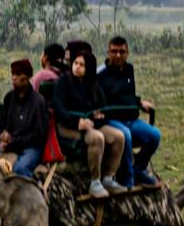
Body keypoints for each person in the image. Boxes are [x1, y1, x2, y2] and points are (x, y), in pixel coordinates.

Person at [50, 44, 125, 198]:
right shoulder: (64, 82)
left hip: (90, 125)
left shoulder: (93, 83)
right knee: (97, 138)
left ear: (89, 68)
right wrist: (78, 122)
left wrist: (95, 120)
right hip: (69, 126)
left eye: (82, 65)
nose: (77, 67)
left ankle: (109, 178)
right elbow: (59, 109)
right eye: (76, 63)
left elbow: (103, 109)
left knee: (119, 136)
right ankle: (94, 181)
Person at [100, 35, 160, 187]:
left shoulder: (129, 69)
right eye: (114, 51)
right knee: (125, 135)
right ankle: (128, 179)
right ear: (108, 53)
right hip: (112, 121)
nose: (118, 55)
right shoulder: (101, 74)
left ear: (127, 53)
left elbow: (128, 94)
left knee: (154, 135)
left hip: (131, 119)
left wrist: (139, 102)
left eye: (122, 52)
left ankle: (139, 168)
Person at [0, 57, 49, 178]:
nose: (14, 78)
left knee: (20, 169)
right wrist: (3, 137)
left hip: (31, 148)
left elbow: (39, 136)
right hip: (10, 145)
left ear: (27, 77)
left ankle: (35, 191)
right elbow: (4, 125)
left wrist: (13, 140)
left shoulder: (38, 102)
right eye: (13, 74)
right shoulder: (9, 98)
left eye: (18, 74)